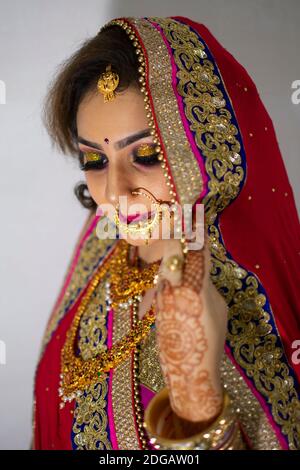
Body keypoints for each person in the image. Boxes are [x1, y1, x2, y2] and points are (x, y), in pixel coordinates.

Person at [33, 16, 300, 450]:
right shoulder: (100, 256)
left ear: (207, 150)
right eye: (95, 161)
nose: (116, 192)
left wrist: (197, 394)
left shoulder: (244, 301)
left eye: (147, 154)